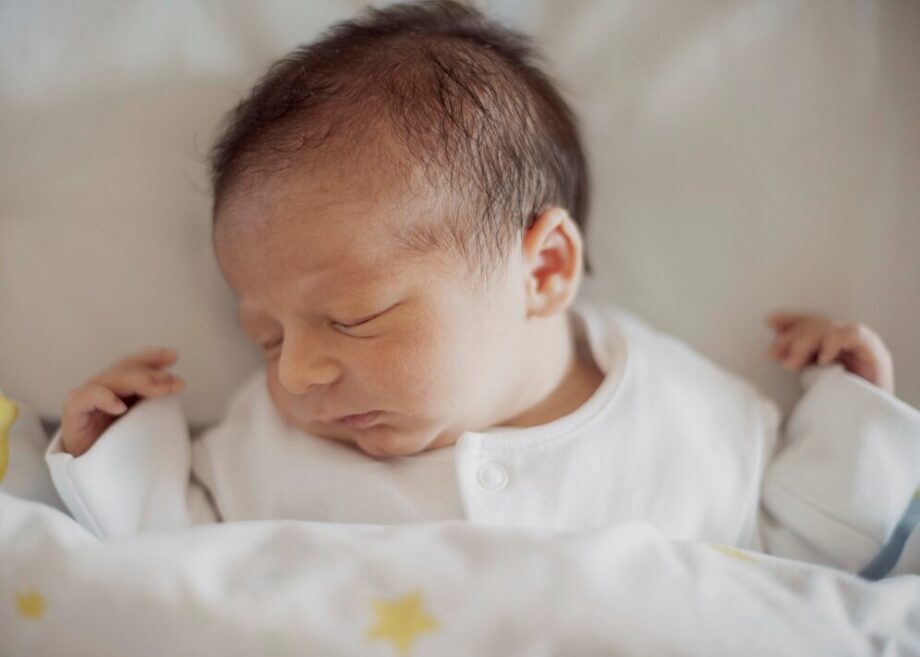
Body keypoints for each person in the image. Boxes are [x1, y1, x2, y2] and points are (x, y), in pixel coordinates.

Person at [46, 0, 920, 573]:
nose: (293, 375)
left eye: (353, 316)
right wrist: (119, 453)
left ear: (542, 270)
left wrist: (852, 420)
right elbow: (172, 561)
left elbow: (807, 573)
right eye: (266, 336)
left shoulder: (689, 419)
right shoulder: (271, 443)